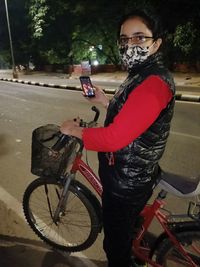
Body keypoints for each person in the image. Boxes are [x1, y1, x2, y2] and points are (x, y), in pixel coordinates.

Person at [60, 9, 175, 267]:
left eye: (139, 38)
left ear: (156, 43)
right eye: (124, 39)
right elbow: (135, 117)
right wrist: (104, 100)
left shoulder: (153, 82)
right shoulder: (142, 73)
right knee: (129, 229)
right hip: (134, 174)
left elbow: (115, 137)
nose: (130, 45)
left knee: (115, 247)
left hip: (126, 183)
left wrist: (74, 130)